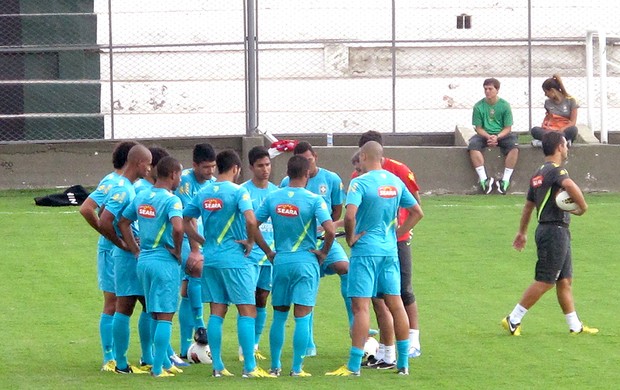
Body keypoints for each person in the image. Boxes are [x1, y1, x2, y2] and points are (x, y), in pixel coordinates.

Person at [326, 141, 423, 377]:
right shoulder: (395, 181)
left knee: (361, 308)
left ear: (366, 155)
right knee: (396, 304)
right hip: (389, 251)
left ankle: (352, 366)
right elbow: (418, 212)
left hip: (365, 252)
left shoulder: (359, 183)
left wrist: (350, 238)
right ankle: (402, 364)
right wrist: (396, 235)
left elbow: (350, 216)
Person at [183, 149, 274, 378]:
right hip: (235, 258)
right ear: (236, 169)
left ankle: (218, 367)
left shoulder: (204, 192)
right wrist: (251, 241)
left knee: (216, 311)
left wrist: (203, 241)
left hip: (211, 259)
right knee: (247, 309)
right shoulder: (239, 192)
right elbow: (251, 220)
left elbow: (185, 220)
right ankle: (250, 368)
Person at [502, 131, 598, 336]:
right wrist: (582, 208)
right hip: (554, 231)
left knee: (564, 281)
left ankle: (575, 326)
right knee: (546, 280)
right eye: (565, 144)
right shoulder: (557, 171)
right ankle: (513, 318)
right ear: (559, 147)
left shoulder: (538, 174)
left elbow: (528, 207)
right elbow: (570, 186)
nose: (567, 148)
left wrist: (522, 232)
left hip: (552, 229)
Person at [256, 155, 335, 377]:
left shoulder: (273, 197)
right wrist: (324, 252)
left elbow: (252, 224)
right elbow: (329, 229)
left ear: (288, 173)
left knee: (279, 316)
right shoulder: (313, 199)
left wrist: (268, 251)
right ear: (308, 173)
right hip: (305, 261)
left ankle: (274, 366)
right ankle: (297, 368)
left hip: (280, 260)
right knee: (302, 316)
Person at [355, 130, 423, 364]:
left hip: (391, 243)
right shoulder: (361, 175)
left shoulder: (399, 171)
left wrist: (400, 232)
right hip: (386, 243)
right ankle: (388, 353)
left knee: (401, 292)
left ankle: (413, 340)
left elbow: (416, 202)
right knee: (379, 299)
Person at [280, 141, 351, 356]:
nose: (307, 166)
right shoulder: (287, 183)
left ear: (316, 157)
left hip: (324, 240)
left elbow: (337, 211)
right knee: (305, 290)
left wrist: (325, 226)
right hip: (299, 246)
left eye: (309, 160)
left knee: (346, 267)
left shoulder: (331, 179)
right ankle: (308, 342)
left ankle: (357, 325)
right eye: (303, 162)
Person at [118, 156, 185, 378]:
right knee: (165, 314)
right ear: (173, 174)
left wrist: (134, 249)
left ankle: (163, 362)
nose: (180, 179)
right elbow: (177, 228)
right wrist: (177, 250)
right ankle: (157, 369)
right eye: (180, 175)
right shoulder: (172, 200)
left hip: (143, 260)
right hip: (163, 262)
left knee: (153, 312)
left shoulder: (142, 195)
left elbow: (123, 222)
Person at [78, 140, 137, 372]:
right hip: (112, 249)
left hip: (122, 249)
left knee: (126, 302)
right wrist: (109, 235)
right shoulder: (113, 182)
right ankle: (109, 357)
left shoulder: (129, 183)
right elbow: (86, 208)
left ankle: (120, 356)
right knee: (113, 303)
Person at [98, 144, 153, 374]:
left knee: (144, 305)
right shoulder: (124, 189)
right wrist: (123, 244)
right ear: (139, 163)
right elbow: (105, 219)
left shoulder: (127, 186)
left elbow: (103, 212)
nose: (149, 169)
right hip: (127, 256)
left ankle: (139, 359)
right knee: (128, 306)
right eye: (148, 164)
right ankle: (120, 362)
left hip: (128, 254)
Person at [175, 143, 217, 358]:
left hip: (201, 242)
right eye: (206, 167)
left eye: (213, 166)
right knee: (197, 270)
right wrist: (197, 248)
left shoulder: (215, 185)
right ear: (195, 165)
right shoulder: (183, 183)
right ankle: (200, 325)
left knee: (187, 293)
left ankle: (184, 349)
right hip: (183, 240)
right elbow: (185, 219)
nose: (210, 172)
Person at [240, 146, 278, 361]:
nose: (265, 169)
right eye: (260, 165)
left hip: (271, 254)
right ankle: (244, 347)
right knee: (248, 300)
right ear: (251, 167)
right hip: (250, 254)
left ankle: (254, 345)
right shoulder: (243, 191)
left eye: (268, 165)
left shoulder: (276, 191)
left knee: (263, 298)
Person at [468, 77, 519, 195]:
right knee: (473, 146)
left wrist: (497, 137)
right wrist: (488, 136)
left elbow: (508, 128)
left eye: (490, 89)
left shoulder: (505, 105)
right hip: (484, 135)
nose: (487, 91)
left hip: (502, 135)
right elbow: (478, 128)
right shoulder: (478, 106)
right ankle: (484, 180)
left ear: (497, 90)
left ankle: (505, 180)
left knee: (514, 147)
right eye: (485, 89)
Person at [530, 74, 579, 147]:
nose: (545, 94)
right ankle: (562, 142)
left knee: (573, 130)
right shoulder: (547, 103)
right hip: (551, 130)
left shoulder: (571, 101)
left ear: (552, 91)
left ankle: (545, 143)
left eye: (546, 92)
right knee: (535, 130)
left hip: (563, 129)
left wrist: (561, 130)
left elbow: (573, 122)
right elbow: (547, 119)